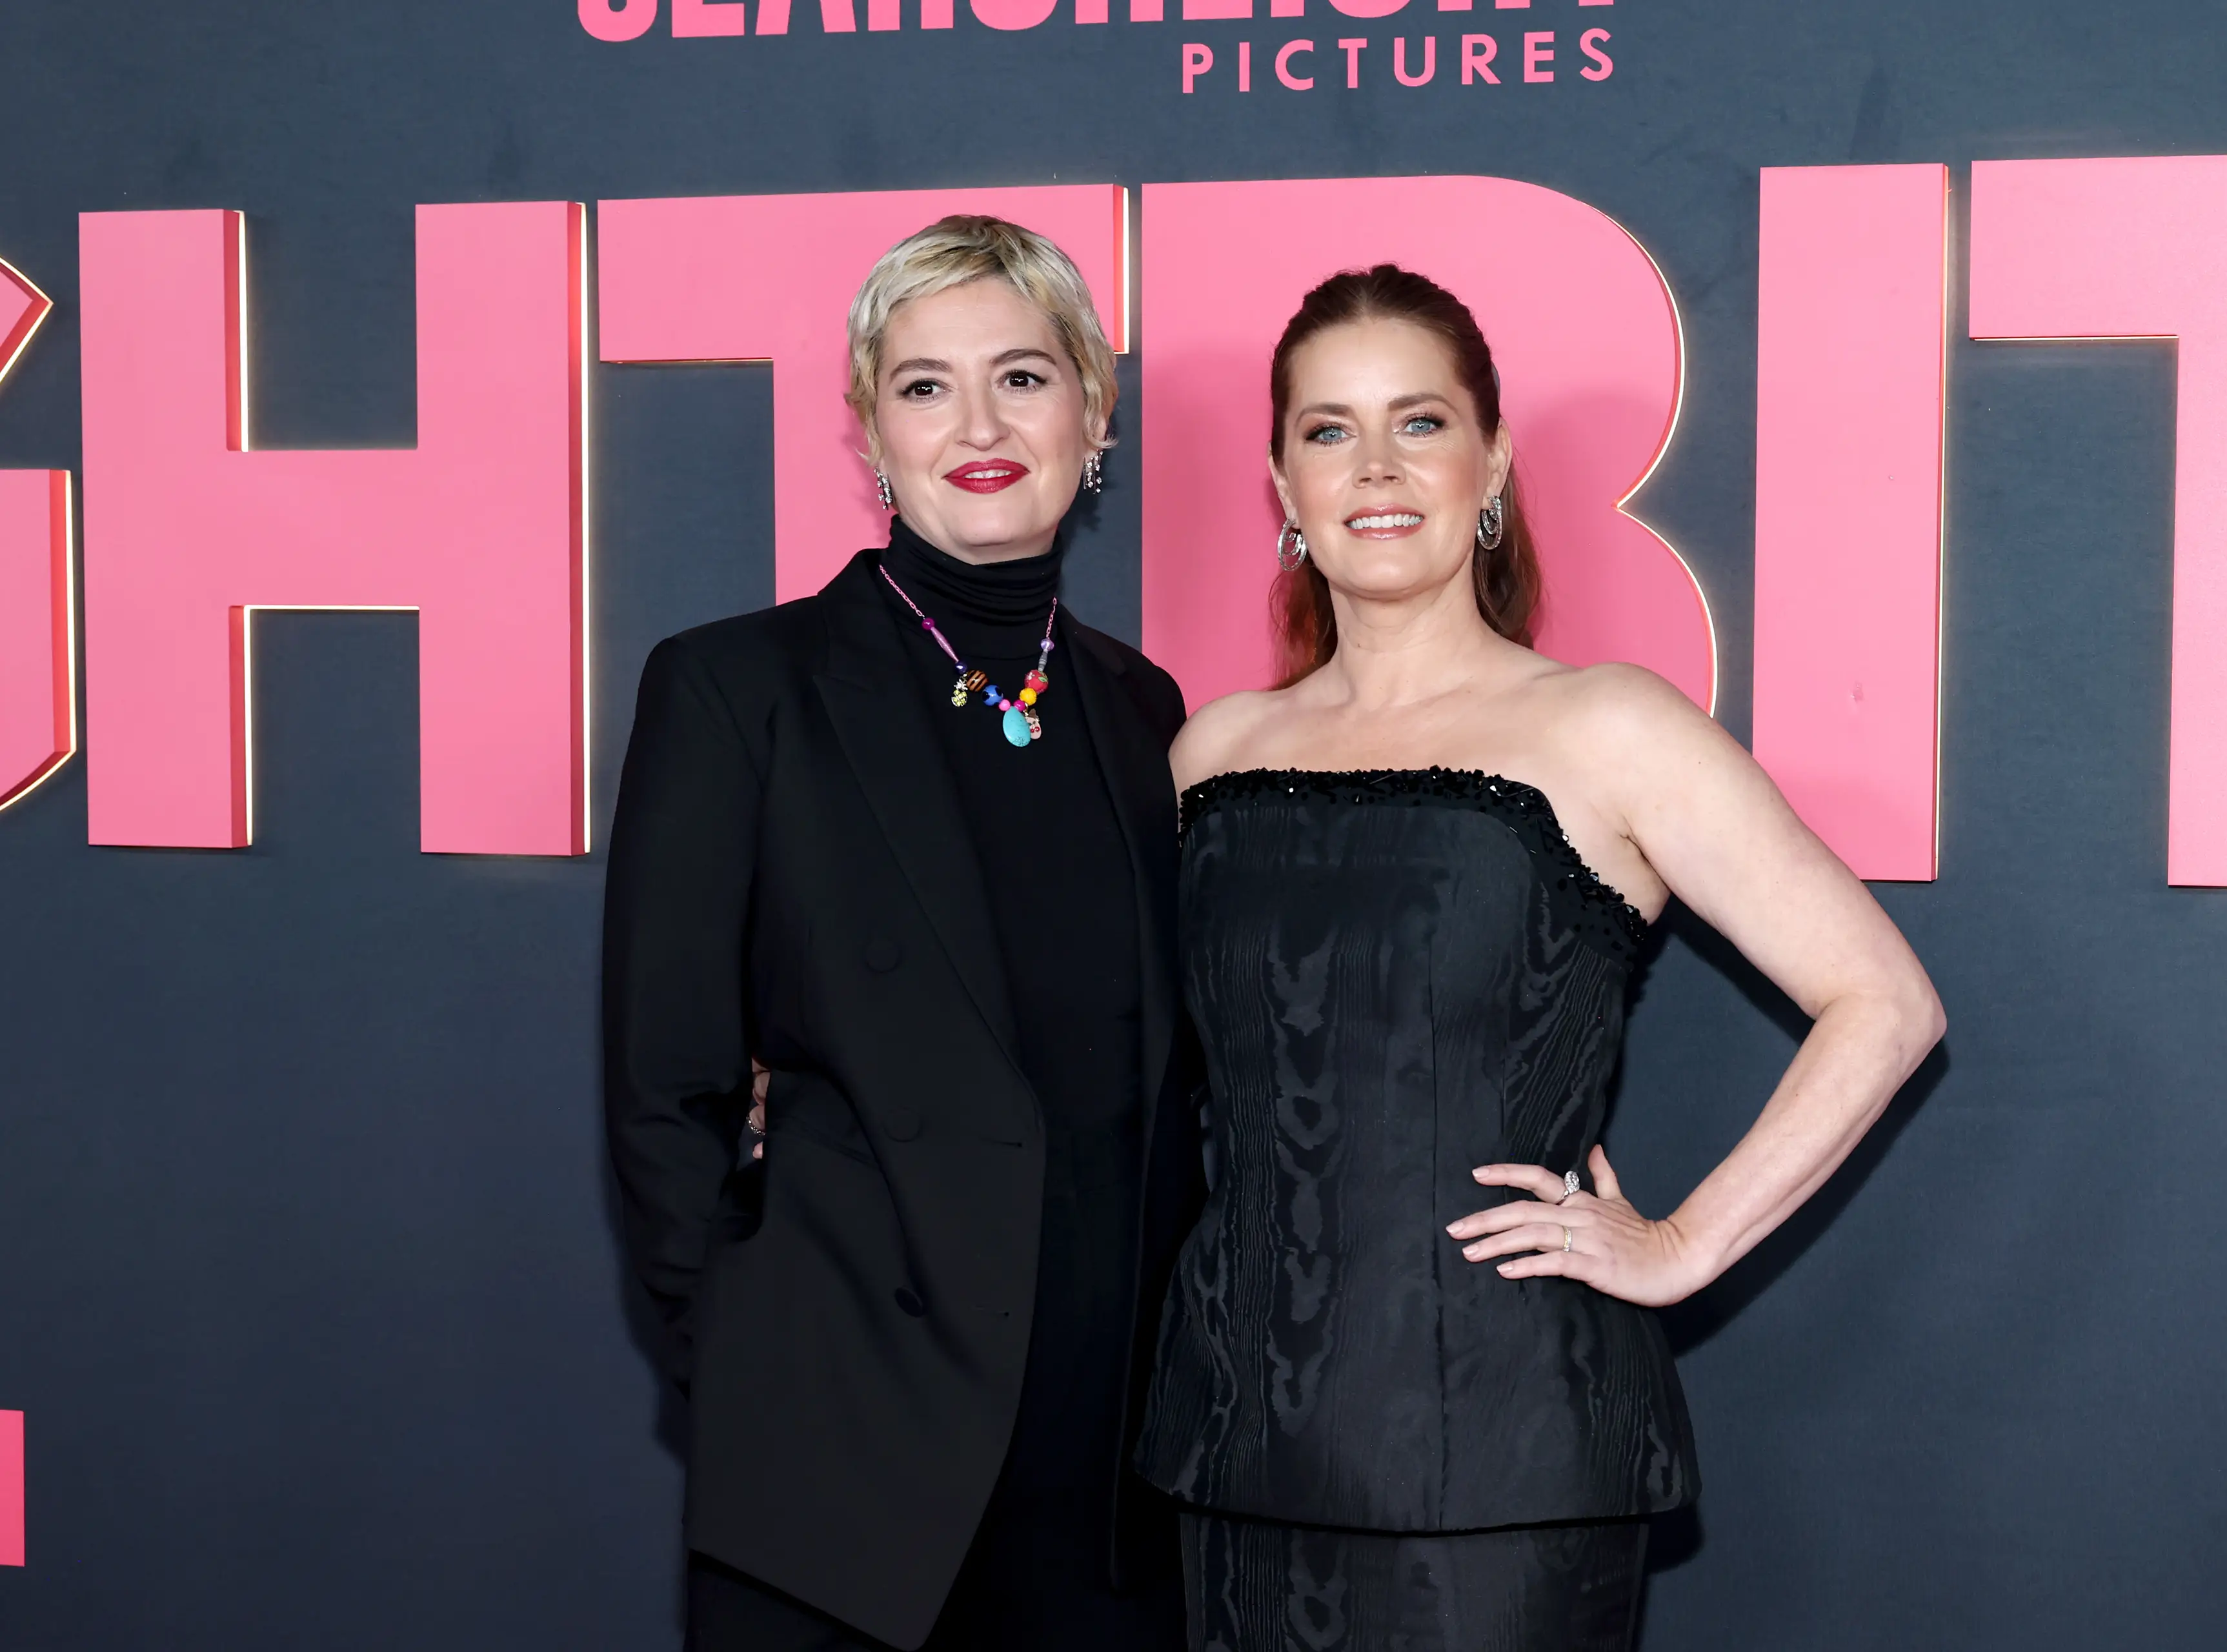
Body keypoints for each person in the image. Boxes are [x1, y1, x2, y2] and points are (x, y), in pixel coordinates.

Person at [1134, 265, 1948, 1651]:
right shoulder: (1213, 748)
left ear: (1491, 459)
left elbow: (1884, 998)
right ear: (1280, 475)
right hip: (1238, 1448)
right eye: (1329, 430)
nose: (1376, 467)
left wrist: (1685, 1240)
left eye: (1421, 422)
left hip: (1510, 1448)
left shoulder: (1606, 727)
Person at [603, 216, 1196, 1652]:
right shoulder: (739, 691)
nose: (980, 424)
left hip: (1105, 1480)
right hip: (843, 1473)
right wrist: (757, 1373)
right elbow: (660, 1092)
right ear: (868, 426)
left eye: (1024, 376)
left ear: (1092, 411)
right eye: (926, 385)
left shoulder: (1144, 711)